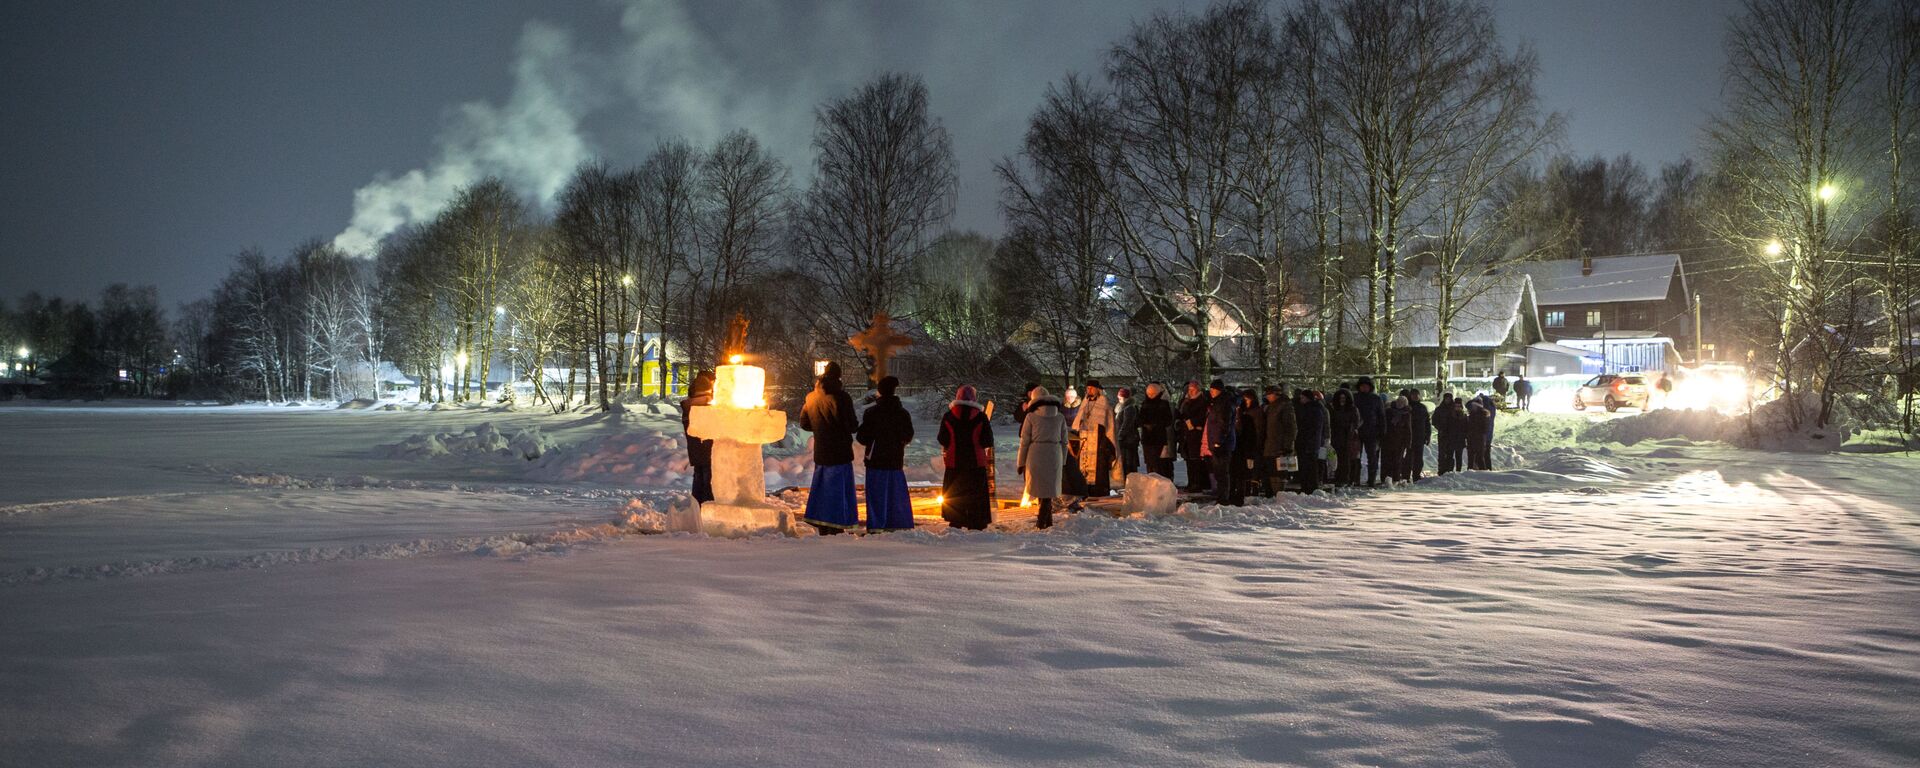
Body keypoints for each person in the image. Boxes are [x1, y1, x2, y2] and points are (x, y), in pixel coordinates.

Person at [800, 361, 859, 533]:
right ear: (839, 376)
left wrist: (820, 428)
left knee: (822, 488)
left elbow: (804, 423)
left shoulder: (811, 397)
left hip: (822, 450)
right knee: (839, 489)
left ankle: (820, 520)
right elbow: (852, 425)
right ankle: (837, 522)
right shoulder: (842, 397)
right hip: (840, 451)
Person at [855, 375, 914, 532]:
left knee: (876, 495)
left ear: (880, 392)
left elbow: (862, 437)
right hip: (895, 460)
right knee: (896, 494)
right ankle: (898, 523)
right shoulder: (902, 413)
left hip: (876, 461)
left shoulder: (872, 413)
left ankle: (877, 525)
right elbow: (908, 435)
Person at [938, 385, 995, 530]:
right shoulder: (981, 417)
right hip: (975, 461)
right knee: (976, 492)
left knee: (955, 491)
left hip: (954, 460)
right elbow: (987, 440)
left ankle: (955, 519)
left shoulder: (949, 416)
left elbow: (942, 438)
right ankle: (976, 520)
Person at [1017, 387, 1067, 529]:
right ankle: (1047, 519)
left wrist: (1021, 462)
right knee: (1049, 488)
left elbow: (1024, 441)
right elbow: (1065, 441)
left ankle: (1042, 521)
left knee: (1040, 487)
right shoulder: (1060, 417)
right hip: (1054, 452)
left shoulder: (1031, 417)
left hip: (1036, 453)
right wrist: (1062, 460)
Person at [1074, 380, 1119, 497]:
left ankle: (1098, 492)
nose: (1089, 390)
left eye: (1092, 388)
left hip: (1100, 442)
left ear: (1098, 390)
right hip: (1085, 441)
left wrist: (1104, 442)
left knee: (1099, 468)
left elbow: (1108, 426)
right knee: (1083, 466)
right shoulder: (1085, 403)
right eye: (1088, 388)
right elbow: (1078, 422)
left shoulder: (1104, 403)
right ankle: (1085, 490)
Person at [679, 370, 716, 504]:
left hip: (695, 449)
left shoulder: (689, 405)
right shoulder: (704, 405)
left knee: (699, 473)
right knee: (707, 475)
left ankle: (697, 504)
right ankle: (706, 505)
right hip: (706, 448)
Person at [1202, 379, 1238, 503]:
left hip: (1222, 443)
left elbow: (1224, 424)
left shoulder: (1224, 404)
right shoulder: (1216, 403)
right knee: (1219, 471)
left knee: (1222, 471)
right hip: (1217, 442)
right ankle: (1222, 496)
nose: (1211, 392)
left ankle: (1223, 498)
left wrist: (1218, 440)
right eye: (1210, 390)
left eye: (1213, 390)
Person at [1261, 385, 1296, 495]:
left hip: (1279, 446)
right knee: (1271, 471)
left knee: (1279, 473)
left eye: (1269, 394)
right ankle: (1272, 494)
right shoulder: (1271, 407)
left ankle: (1279, 495)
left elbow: (1291, 427)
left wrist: (1287, 446)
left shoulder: (1285, 407)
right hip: (1271, 445)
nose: (1267, 396)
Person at [1137, 382, 1176, 479]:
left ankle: (1160, 482)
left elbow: (1168, 420)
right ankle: (1152, 480)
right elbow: (1139, 419)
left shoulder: (1163, 404)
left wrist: (1155, 424)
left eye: (1153, 394)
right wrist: (1145, 424)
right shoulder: (1145, 404)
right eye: (1149, 394)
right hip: (1148, 438)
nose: (1151, 396)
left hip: (1158, 438)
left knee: (1159, 463)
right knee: (1150, 463)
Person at [1231, 388, 1264, 503]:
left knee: (1248, 469)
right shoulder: (1244, 413)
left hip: (1248, 445)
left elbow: (1256, 431)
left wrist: (1255, 445)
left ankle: (1250, 489)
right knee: (1242, 470)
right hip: (1243, 445)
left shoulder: (1253, 413)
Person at [1178, 380, 1211, 493]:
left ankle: (1197, 483)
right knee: (1189, 459)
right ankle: (1191, 482)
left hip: (1195, 434)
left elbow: (1202, 416)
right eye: (1189, 389)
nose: (1190, 391)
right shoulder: (1186, 401)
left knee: (1195, 460)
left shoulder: (1201, 401)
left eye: (1193, 389)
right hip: (1187, 434)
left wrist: (1191, 422)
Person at [1353, 377, 1385, 486]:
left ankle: (1371, 480)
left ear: (1370, 387)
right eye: (1362, 386)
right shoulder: (1355, 398)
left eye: (1366, 386)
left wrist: (1382, 431)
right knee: (1356, 456)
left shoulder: (1376, 399)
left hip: (1372, 432)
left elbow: (1381, 416)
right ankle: (1355, 479)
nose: (1364, 388)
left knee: (1372, 457)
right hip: (1357, 433)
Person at [1292, 389, 1326, 494]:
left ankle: (1310, 487)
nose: (1301, 399)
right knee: (1307, 465)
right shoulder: (1313, 409)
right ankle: (1308, 486)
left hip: (1309, 442)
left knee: (1309, 466)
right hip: (1309, 442)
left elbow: (1313, 427)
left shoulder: (1313, 409)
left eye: (1302, 397)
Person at [1327, 388, 1361, 487]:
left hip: (1347, 436)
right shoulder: (1334, 408)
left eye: (1344, 398)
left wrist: (1350, 429)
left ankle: (1345, 478)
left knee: (1346, 459)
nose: (1342, 400)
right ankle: (1336, 477)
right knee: (1334, 457)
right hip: (1336, 435)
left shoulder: (1353, 409)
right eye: (1340, 397)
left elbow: (1356, 422)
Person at [1381, 394, 1412, 483]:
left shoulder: (1406, 414)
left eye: (1402, 402)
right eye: (1398, 401)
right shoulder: (1389, 412)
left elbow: (1408, 430)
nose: (1399, 403)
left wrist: (1408, 443)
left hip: (1400, 442)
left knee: (1397, 461)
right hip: (1388, 440)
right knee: (1387, 460)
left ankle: (1396, 479)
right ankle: (1386, 478)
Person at [1436, 393, 1467, 474]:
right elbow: (1446, 426)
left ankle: (1458, 471)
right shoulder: (1450, 415)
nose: (1457, 408)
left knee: (1458, 456)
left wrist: (1465, 437)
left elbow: (1465, 428)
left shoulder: (1464, 416)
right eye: (1456, 406)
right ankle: (1448, 471)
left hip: (1460, 439)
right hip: (1450, 439)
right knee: (1449, 456)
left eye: (1459, 406)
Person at [1405, 388, 1431, 482]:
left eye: (1417, 395)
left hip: (1420, 436)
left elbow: (1427, 423)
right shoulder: (1407, 407)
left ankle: (1416, 475)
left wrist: (1428, 435)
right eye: (1413, 395)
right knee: (1408, 457)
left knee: (1418, 458)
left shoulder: (1422, 408)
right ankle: (1406, 476)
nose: (1415, 397)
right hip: (1409, 436)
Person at [1115, 387, 1141, 481]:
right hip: (1125, 439)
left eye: (1120, 396)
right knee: (1124, 462)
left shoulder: (1129, 408)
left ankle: (1131, 480)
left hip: (1129, 440)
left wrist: (1120, 436)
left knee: (1129, 462)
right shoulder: (1122, 407)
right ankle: (1126, 479)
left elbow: (1127, 424)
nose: (1119, 398)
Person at [1466, 396, 1491, 471]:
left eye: (1474, 405)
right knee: (1471, 458)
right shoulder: (1472, 414)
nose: (1472, 407)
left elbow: (1484, 428)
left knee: (1479, 458)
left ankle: (1482, 473)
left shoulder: (1483, 415)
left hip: (1479, 439)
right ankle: (1470, 472)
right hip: (1471, 439)